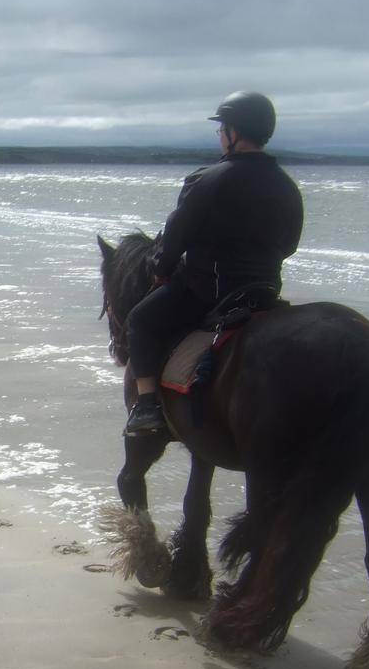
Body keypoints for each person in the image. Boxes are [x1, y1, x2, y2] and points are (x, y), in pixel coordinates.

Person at [122, 91, 304, 435]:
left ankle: (146, 407)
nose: (220, 136)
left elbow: (175, 240)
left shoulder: (207, 180)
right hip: (264, 292)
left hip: (209, 292)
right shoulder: (287, 187)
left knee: (140, 320)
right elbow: (289, 246)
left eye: (222, 129)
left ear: (234, 132)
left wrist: (161, 269)